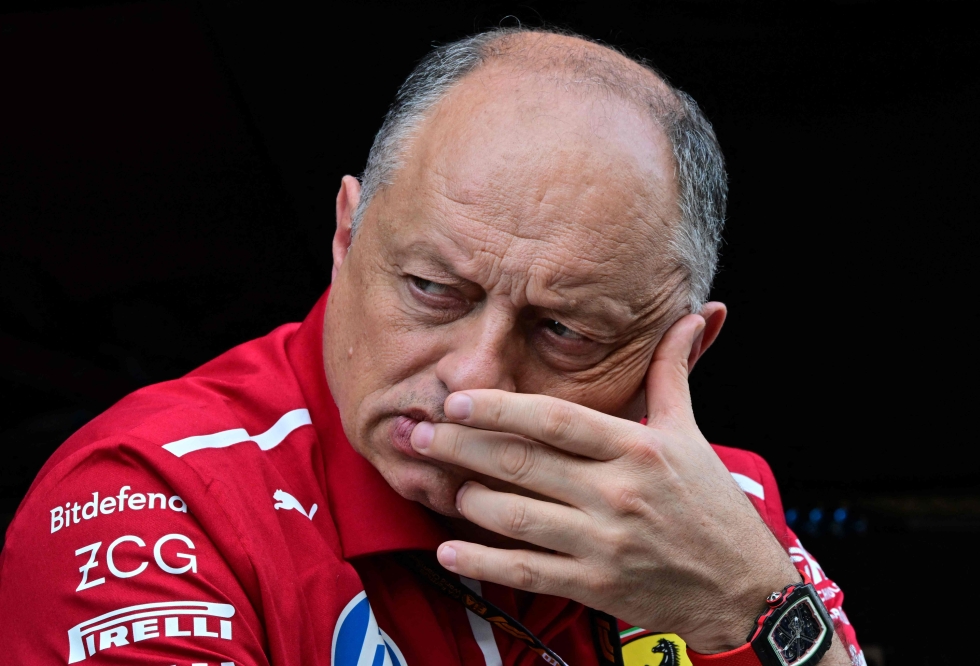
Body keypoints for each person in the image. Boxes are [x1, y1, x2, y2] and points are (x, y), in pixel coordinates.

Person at [0, 28, 865, 666]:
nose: (472, 379)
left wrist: (748, 603)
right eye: (431, 291)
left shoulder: (719, 512)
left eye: (563, 330)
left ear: (686, 346)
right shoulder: (157, 496)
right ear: (346, 237)